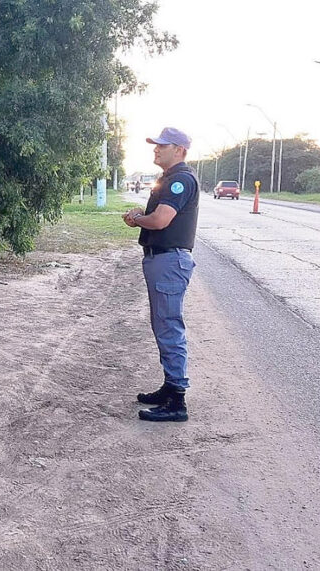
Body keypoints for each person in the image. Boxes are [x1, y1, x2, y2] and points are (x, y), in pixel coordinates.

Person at [123, 127, 199, 423]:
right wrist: (141, 215)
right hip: (163, 260)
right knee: (163, 324)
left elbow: (161, 220)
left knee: (168, 326)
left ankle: (177, 401)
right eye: (155, 145)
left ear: (179, 150)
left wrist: (137, 219)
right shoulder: (169, 179)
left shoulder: (180, 180)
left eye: (162, 146)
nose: (155, 150)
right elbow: (159, 217)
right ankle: (170, 387)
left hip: (169, 261)